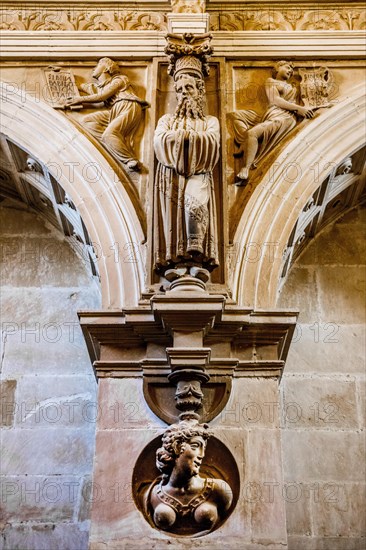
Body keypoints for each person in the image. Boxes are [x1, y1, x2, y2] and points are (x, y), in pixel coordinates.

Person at [153, 57, 220, 274]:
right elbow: (160, 140)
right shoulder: (166, 119)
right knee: (172, 218)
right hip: (171, 174)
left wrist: (182, 138)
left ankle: (198, 261)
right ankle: (175, 263)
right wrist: (187, 137)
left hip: (199, 172)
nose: (184, 93)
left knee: (195, 209)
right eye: (179, 89)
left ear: (199, 91)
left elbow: (212, 143)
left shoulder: (209, 120)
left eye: (189, 88)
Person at [231, 61, 314, 184]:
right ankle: (247, 145)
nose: (290, 71)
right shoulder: (271, 81)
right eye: (287, 67)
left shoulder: (293, 87)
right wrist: (298, 108)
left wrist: (299, 109)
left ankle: (246, 168)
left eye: (291, 70)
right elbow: (274, 100)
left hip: (284, 117)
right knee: (236, 115)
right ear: (278, 68)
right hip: (273, 112)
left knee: (252, 133)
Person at [148, 421, 232, 533]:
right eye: (195, 446)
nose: (202, 455)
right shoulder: (154, 494)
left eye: (203, 448)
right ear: (177, 447)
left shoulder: (220, 490)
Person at [65, 57, 149, 170]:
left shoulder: (120, 79)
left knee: (109, 135)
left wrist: (79, 99)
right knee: (86, 121)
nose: (94, 68)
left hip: (128, 106)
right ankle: (112, 143)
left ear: (107, 68)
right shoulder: (101, 87)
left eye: (98, 64)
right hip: (114, 110)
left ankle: (130, 159)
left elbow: (102, 96)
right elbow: (86, 87)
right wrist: (66, 79)